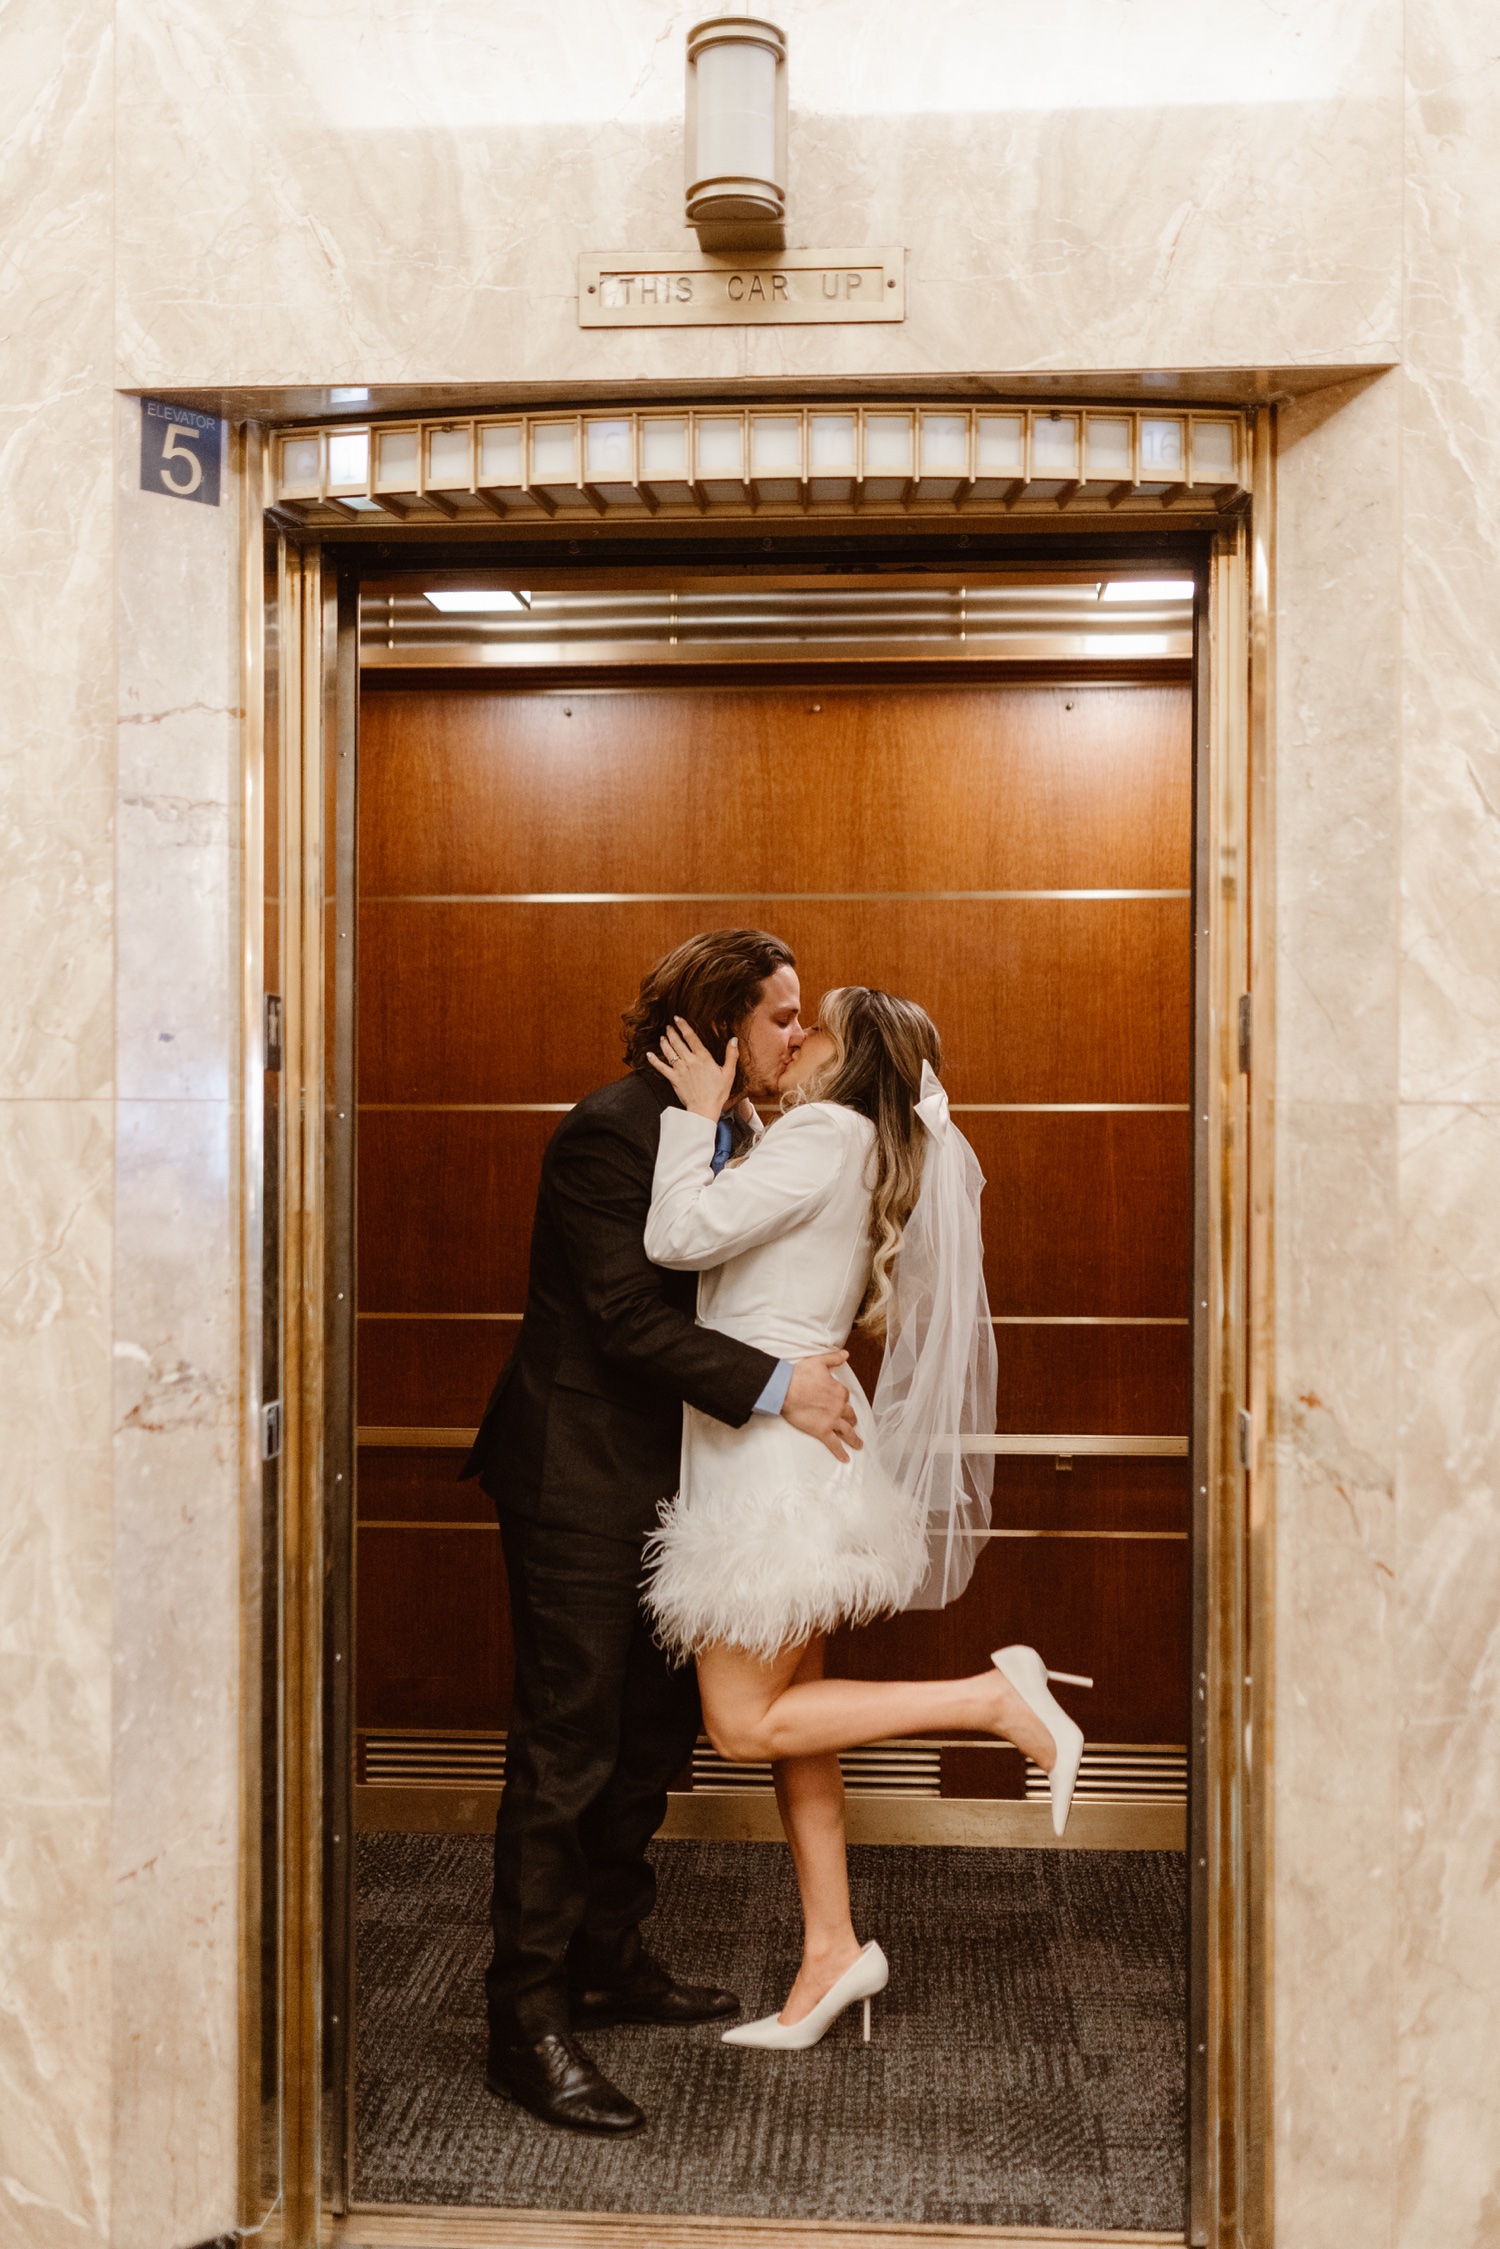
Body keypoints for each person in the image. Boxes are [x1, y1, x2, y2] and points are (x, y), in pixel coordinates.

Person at [460, 929, 863, 2135]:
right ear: (719, 1019)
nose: (797, 1037)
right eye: (781, 1016)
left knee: (652, 1731)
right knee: (568, 1742)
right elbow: (630, 1319)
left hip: (683, 1483)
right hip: (578, 1475)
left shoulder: (748, 1131)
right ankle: (522, 2017)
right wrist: (781, 1385)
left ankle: (606, 1956)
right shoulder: (608, 1129)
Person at [642, 987, 1091, 2049]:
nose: (791, 1038)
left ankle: (992, 1695)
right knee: (803, 1729)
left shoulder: (824, 1134)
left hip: (773, 1477)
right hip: (795, 1458)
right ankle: (832, 1949)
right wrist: (735, 1128)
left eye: (812, 1027)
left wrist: (695, 1114)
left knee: (744, 1724)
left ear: (848, 1059)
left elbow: (674, 1234)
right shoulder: (840, 1143)